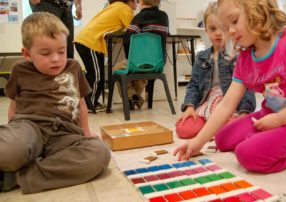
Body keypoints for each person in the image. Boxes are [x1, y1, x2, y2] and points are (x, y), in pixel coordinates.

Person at [174, 0, 286, 173]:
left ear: (258, 8)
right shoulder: (245, 58)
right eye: (227, 27)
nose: (231, 31)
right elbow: (227, 104)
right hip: (270, 116)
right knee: (221, 138)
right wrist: (198, 142)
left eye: (234, 21)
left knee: (247, 155)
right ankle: (271, 139)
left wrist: (280, 120)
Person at [0, 12, 110, 193]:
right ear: (27, 54)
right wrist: (16, 139)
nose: (56, 59)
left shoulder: (73, 67)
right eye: (45, 53)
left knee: (99, 153)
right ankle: (22, 156)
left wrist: (86, 133)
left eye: (62, 51)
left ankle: (16, 177)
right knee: (10, 149)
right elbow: (13, 108)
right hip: (29, 126)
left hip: (66, 135)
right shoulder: (19, 69)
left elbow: (81, 105)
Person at [175, 2, 255, 139]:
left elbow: (248, 87)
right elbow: (193, 85)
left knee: (233, 128)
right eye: (212, 29)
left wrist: (244, 112)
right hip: (207, 104)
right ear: (205, 30)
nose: (218, 33)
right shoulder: (201, 57)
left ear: (230, 28)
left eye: (223, 28)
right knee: (183, 130)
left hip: (230, 106)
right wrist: (190, 107)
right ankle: (213, 127)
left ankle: (217, 128)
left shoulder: (238, 57)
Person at [74, 0, 138, 113]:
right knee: (96, 75)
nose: (137, 4)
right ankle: (90, 104)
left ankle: (92, 102)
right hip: (90, 42)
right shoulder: (125, 9)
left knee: (99, 74)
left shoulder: (114, 6)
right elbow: (132, 30)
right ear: (131, 1)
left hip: (90, 41)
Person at [113, 0, 169, 110]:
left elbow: (128, 39)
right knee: (142, 76)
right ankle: (134, 98)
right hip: (158, 63)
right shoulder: (164, 17)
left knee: (118, 69)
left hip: (139, 63)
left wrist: (129, 58)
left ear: (141, 2)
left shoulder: (139, 17)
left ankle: (132, 97)